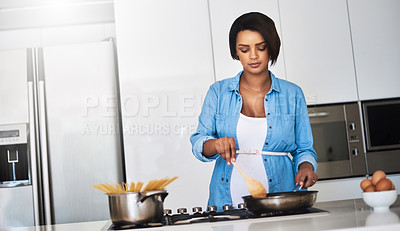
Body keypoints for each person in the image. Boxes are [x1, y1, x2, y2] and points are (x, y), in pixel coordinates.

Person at [190, 12, 318, 210]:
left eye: (261, 47)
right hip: (226, 205)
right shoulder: (218, 92)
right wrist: (216, 144)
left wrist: (306, 167)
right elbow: (199, 142)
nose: (253, 56)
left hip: (281, 202)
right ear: (236, 52)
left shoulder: (293, 94)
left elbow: (304, 149)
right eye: (244, 49)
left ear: (271, 48)